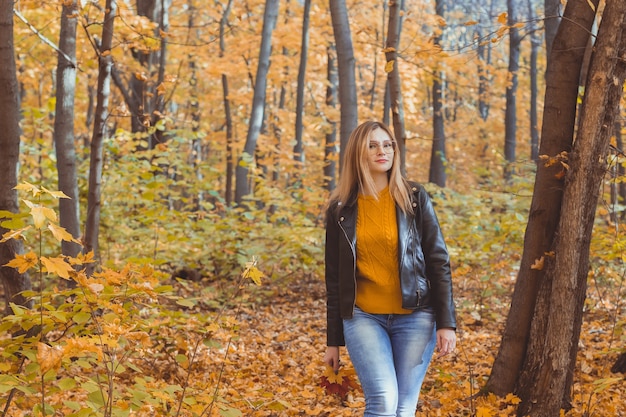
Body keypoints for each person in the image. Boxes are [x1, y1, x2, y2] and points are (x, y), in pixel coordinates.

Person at [323, 120, 457, 417]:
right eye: (372, 146)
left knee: (403, 408)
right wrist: (333, 341)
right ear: (358, 153)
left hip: (417, 316)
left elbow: (438, 261)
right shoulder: (340, 209)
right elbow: (334, 280)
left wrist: (447, 323)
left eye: (387, 144)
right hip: (363, 316)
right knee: (383, 400)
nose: (381, 151)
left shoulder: (414, 197)